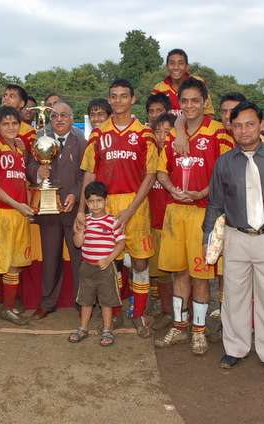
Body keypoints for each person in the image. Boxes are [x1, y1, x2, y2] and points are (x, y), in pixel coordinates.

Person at [204, 101, 264, 377]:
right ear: (230, 128)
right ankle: (235, 348)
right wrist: (208, 239)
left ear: (262, 125)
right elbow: (215, 204)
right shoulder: (224, 163)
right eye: (237, 125)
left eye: (249, 124)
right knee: (234, 296)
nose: (243, 130)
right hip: (236, 237)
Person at [154, 78, 233, 355]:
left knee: (201, 276)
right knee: (179, 272)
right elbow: (161, 171)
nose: (189, 106)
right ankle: (179, 326)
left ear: (204, 102)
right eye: (184, 101)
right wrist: (172, 188)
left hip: (204, 212)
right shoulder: (174, 134)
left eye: (195, 101)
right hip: (176, 211)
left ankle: (199, 330)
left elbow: (225, 173)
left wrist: (202, 192)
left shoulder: (218, 132)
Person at [78, 79, 157, 336]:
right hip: (106, 205)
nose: (118, 100)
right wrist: (82, 211)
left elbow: (150, 176)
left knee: (140, 262)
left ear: (133, 99)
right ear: (109, 99)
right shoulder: (98, 134)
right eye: (114, 96)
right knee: (112, 263)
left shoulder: (144, 134)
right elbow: (90, 174)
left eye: (124, 96)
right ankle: (116, 311)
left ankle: (139, 313)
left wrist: (131, 210)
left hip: (136, 205)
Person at [26, 102, 85, 319]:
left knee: (78, 257)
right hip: (48, 210)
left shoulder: (81, 140)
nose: (59, 119)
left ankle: (82, 302)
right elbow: (29, 167)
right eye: (55, 116)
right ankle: (47, 302)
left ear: (71, 118)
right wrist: (38, 172)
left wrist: (75, 195)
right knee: (50, 258)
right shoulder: (41, 138)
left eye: (63, 115)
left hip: (73, 209)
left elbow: (86, 174)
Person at [0, 106, 34, 326]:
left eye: (14, 123)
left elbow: (22, 182)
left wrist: (27, 206)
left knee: (14, 265)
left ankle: (9, 308)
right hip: (1, 215)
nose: (11, 127)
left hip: (19, 215)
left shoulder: (19, 149)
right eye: (6, 124)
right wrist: (16, 204)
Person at [68, 181, 125, 347]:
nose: (95, 205)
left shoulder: (113, 221)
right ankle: (83, 328)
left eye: (99, 200)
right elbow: (77, 244)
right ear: (86, 203)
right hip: (87, 267)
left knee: (106, 301)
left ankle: (107, 330)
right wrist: (80, 231)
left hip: (106, 268)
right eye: (91, 201)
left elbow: (121, 243)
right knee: (85, 300)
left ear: (106, 201)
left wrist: (108, 259)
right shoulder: (84, 221)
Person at [149, 113, 176, 330]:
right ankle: (167, 311)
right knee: (161, 275)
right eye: (158, 132)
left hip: (175, 225)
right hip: (155, 224)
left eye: (167, 132)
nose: (162, 137)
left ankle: (185, 314)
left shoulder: (178, 156)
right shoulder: (149, 155)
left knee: (184, 274)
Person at [151, 48, 215, 116]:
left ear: (187, 67)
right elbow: (153, 115)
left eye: (180, 63)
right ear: (167, 67)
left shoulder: (198, 82)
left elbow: (209, 114)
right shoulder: (159, 88)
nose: (176, 67)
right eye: (172, 63)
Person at [0, 84, 37, 152]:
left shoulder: (29, 131)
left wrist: (23, 151)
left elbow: (34, 157)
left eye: (11, 96)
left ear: (22, 103)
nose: (6, 98)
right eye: (5, 95)